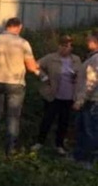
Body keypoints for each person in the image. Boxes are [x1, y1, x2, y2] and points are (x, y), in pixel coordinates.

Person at [0, 17, 40, 155]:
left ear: (6, 26)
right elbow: (31, 67)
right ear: (18, 27)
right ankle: (10, 149)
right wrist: (38, 69)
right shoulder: (23, 43)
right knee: (13, 117)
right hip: (16, 84)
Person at [30, 35, 81, 155]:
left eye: (67, 46)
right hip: (53, 95)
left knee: (64, 121)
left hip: (69, 95)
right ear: (58, 46)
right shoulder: (50, 58)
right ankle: (40, 142)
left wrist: (77, 77)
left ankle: (60, 144)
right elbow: (34, 66)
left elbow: (82, 73)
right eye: (63, 46)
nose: (65, 48)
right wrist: (43, 76)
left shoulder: (76, 59)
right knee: (47, 119)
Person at [72, 31, 98, 167]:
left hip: (91, 101)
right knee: (83, 129)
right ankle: (79, 156)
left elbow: (91, 82)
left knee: (90, 131)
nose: (87, 42)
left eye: (90, 40)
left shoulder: (96, 59)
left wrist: (80, 100)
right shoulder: (92, 57)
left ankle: (87, 160)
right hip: (90, 100)